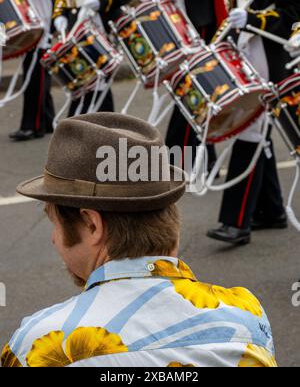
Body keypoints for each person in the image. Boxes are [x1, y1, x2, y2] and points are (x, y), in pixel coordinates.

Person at [2, 112, 276, 367]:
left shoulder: (38, 346)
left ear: (92, 224)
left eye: (55, 223)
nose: (53, 239)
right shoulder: (247, 315)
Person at [206, 0, 300, 246]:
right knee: (258, 131)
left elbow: (292, 15)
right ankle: (271, 211)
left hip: (270, 55)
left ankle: (236, 223)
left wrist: (253, 19)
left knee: (250, 132)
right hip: (248, 49)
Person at [133, 0, 229, 170]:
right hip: (172, 13)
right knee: (189, 90)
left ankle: (178, 162)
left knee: (189, 88)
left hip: (198, 11)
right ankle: (204, 159)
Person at [53, 0, 133, 117]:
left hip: (97, 27)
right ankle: (91, 130)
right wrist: (59, 14)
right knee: (81, 83)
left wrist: (100, 1)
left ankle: (101, 130)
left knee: (98, 84)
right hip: (76, 26)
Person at [2, 0, 63, 142]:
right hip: (26, 1)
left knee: (36, 64)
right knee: (35, 62)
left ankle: (32, 125)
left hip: (41, 1)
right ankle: (47, 118)